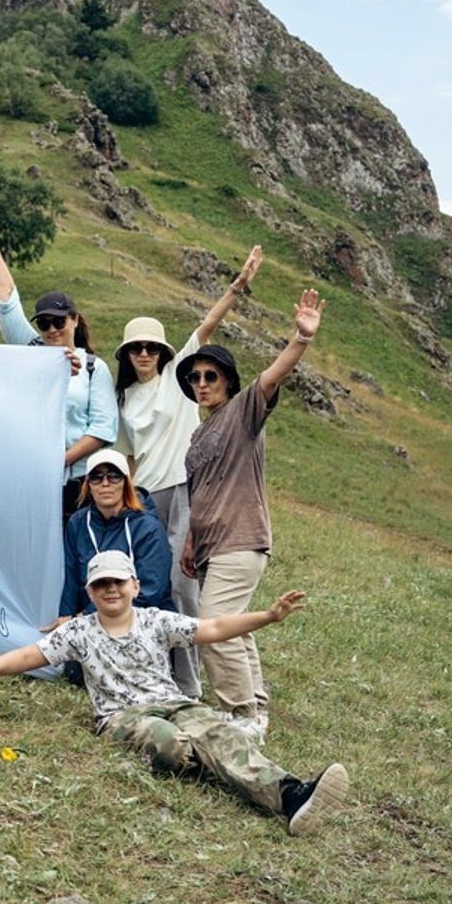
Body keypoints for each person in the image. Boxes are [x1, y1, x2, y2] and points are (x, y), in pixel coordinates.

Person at [0, 552, 349, 837]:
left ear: (135, 586)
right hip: (121, 717)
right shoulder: (78, 631)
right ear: (90, 592)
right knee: (169, 745)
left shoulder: (156, 620)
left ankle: (293, 795)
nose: (110, 589)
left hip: (176, 704)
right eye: (101, 584)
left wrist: (268, 616)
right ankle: (215, 759)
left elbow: (214, 628)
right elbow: (32, 654)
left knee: (220, 734)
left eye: (118, 582)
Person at [175, 287, 326, 744]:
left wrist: (302, 338)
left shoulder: (243, 412)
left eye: (211, 375)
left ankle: (240, 713)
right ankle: (255, 708)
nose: (202, 383)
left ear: (228, 381)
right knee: (235, 625)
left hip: (241, 539)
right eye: (195, 378)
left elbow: (273, 375)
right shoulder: (198, 434)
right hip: (210, 546)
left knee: (214, 627)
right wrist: (190, 541)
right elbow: (200, 491)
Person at [112, 244, 264, 695]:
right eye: (135, 348)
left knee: (183, 587)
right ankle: (157, 672)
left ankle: (191, 684)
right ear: (127, 354)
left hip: (181, 490)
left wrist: (237, 286)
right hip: (144, 498)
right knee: (149, 586)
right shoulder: (124, 398)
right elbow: (129, 457)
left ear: (162, 351)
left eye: (150, 347)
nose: (143, 353)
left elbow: (207, 325)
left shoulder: (180, 378)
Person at [0, 204, 116, 514]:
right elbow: (7, 300)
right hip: (33, 476)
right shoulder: (31, 351)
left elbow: (104, 427)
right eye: (44, 323)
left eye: (58, 321)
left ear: (74, 320)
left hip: (79, 480)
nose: (51, 329)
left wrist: (62, 459)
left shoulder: (94, 368)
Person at [57, 451, 173, 620]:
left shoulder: (149, 528)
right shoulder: (77, 523)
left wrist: (86, 618)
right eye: (96, 477)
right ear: (88, 485)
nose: (105, 483)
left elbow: (150, 590)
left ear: (126, 483)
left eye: (114, 476)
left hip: (141, 619)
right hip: (90, 621)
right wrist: (65, 617)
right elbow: (70, 578)